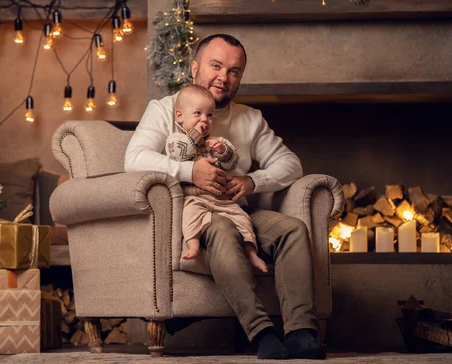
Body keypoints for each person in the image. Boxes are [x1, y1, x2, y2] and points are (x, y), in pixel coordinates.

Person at [125, 34, 325, 360]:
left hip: (237, 209)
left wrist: (251, 181)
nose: (224, 77)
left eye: (234, 71)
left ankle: (301, 332)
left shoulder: (250, 119)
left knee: (292, 229)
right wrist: (191, 173)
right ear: (194, 68)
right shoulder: (165, 110)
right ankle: (262, 334)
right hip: (194, 215)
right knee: (220, 227)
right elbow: (133, 159)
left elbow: (291, 164)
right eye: (216, 66)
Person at [166, 84, 267, 273]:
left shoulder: (216, 141)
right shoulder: (176, 140)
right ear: (180, 115)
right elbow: (180, 156)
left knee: (243, 219)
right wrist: (195, 133)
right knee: (189, 215)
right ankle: (193, 245)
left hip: (222, 199)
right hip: (193, 197)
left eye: (210, 115)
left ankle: (251, 252)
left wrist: (223, 150)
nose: (205, 119)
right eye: (198, 113)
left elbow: (232, 163)